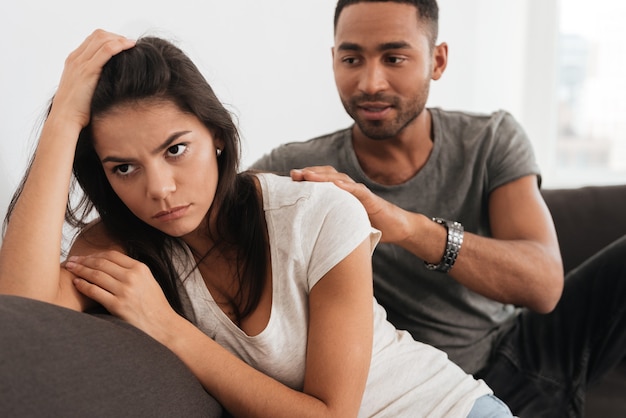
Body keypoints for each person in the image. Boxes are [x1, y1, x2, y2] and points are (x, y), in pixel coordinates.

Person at [0, 30, 516, 417]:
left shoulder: (317, 214)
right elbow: (21, 313)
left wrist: (166, 327)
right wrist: (63, 120)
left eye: (176, 149)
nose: (158, 188)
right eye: (124, 168)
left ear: (218, 136)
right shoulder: (123, 243)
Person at [251, 1, 626, 417]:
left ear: (437, 60)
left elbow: (543, 285)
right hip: (435, 393)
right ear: (333, 59)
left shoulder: (490, 139)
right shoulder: (296, 169)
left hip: (526, 349)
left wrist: (410, 229)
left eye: (394, 58)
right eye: (351, 58)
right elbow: (211, 210)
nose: (370, 82)